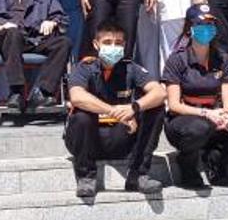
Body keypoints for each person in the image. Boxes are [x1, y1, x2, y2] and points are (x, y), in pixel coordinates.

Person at [162, 3, 228, 188]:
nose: (206, 30)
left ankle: (218, 160)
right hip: (185, 120)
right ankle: (187, 165)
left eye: (210, 25)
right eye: (201, 25)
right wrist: (206, 114)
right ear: (189, 28)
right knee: (198, 129)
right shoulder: (177, 60)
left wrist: (226, 114)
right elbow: (175, 105)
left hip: (215, 117)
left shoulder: (222, 58)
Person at [65, 21, 166, 198]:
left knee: (155, 109)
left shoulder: (131, 68)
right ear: (96, 45)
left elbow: (159, 92)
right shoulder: (84, 68)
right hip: (89, 141)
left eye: (119, 43)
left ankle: (138, 175)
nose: (113, 47)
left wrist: (134, 107)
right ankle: (86, 178)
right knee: (81, 116)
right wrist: (115, 111)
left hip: (120, 139)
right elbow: (77, 97)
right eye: (107, 42)